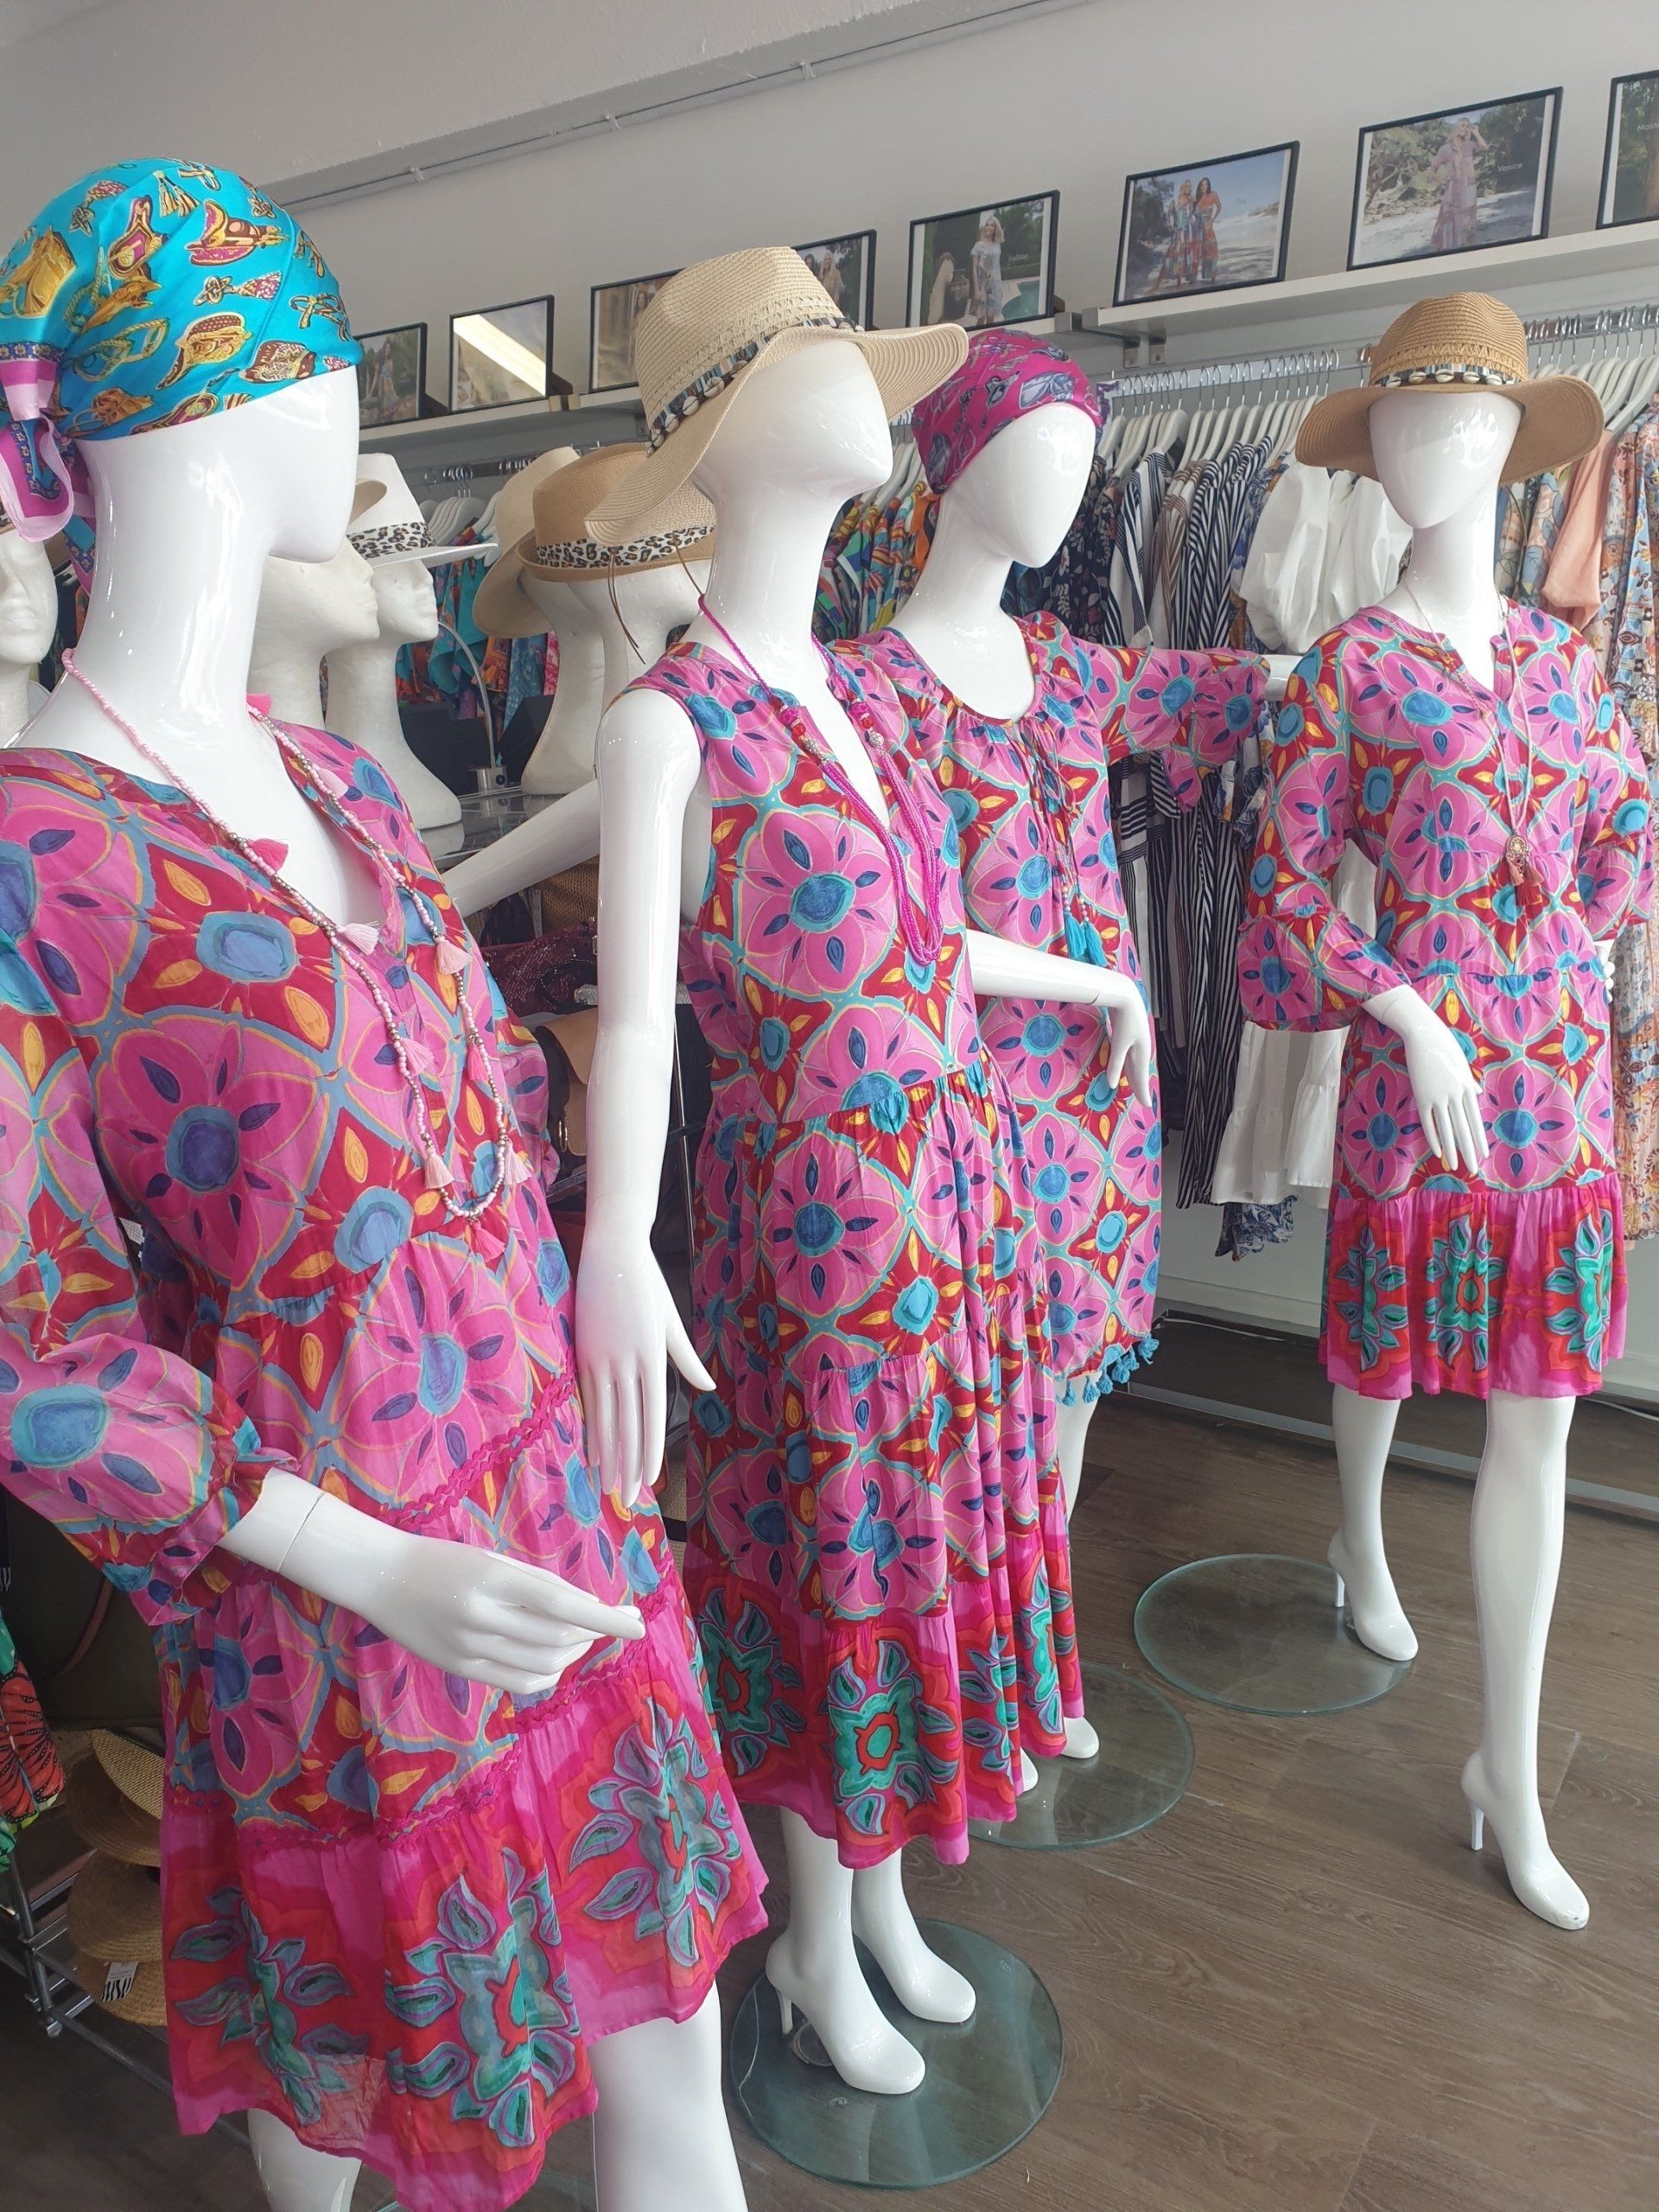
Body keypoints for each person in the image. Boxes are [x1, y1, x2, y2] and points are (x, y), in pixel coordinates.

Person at [1429, 115, 1486, 253]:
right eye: (1462, 125)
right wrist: (1442, 181)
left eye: (1467, 126)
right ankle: (1442, 251)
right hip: (1452, 189)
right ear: (1456, 128)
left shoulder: (1470, 146)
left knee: (1468, 220)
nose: (1465, 128)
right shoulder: (1445, 149)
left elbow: (1484, 147)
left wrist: (1476, 133)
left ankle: (1468, 251)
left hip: (1469, 188)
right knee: (1447, 218)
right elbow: (1431, 171)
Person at [969, 213, 1005, 326]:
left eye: (992, 225)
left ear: (995, 229)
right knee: (981, 318)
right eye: (987, 225)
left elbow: (997, 267)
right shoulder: (978, 246)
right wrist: (976, 290)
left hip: (994, 286)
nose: (989, 227)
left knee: (990, 318)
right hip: (982, 286)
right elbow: (974, 269)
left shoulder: (997, 246)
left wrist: (999, 287)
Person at [1193, 175, 1223, 285]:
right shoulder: (1198, 198)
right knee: (1203, 253)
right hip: (1199, 229)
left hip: (1208, 228)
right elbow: (1194, 214)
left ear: (1209, 185)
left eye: (1206, 184)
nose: (1204, 186)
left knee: (1213, 250)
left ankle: (1213, 277)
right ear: (1200, 187)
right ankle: (1204, 276)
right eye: (1202, 185)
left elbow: (1219, 207)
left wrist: (1213, 220)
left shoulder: (1213, 194)